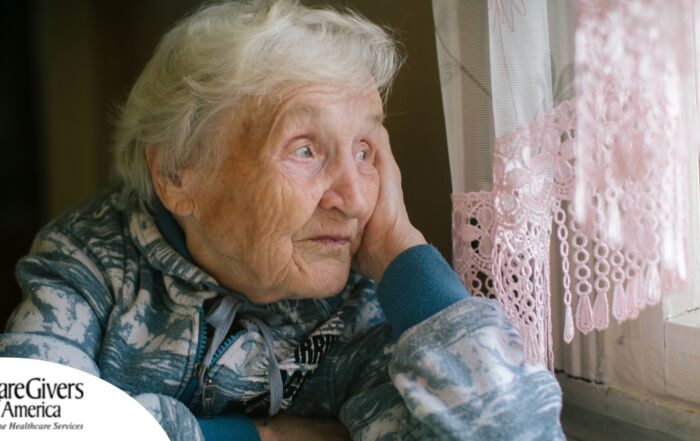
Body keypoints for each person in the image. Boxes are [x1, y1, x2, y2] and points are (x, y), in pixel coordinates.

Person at [0, 1, 565, 440]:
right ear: (178, 174)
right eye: (304, 150)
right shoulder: (93, 258)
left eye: (365, 151)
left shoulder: (361, 306)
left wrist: (401, 250)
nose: (352, 199)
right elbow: (28, 421)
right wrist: (254, 436)